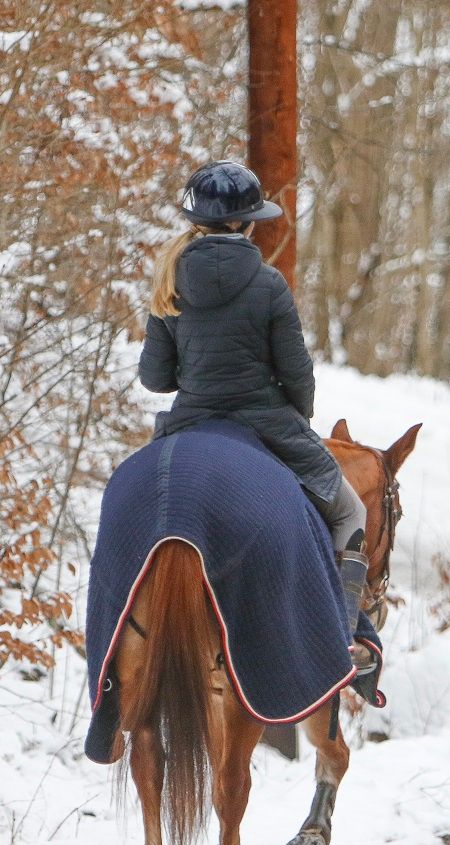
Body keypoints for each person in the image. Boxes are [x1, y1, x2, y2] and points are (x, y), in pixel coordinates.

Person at [138, 160, 371, 660]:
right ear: (247, 223)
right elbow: (297, 371)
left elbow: (156, 379)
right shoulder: (267, 284)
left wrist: (200, 372)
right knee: (352, 509)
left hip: (190, 423)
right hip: (265, 423)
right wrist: (298, 416)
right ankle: (340, 645)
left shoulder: (168, 280)